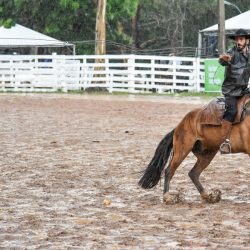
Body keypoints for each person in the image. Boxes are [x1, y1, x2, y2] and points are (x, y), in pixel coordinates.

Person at [218, 28, 250, 154]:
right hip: (231, 90)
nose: (239, 42)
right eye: (237, 39)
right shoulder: (231, 52)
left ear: (247, 40)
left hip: (243, 89)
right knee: (232, 110)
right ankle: (224, 141)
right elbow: (223, 60)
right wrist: (223, 59)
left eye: (241, 39)